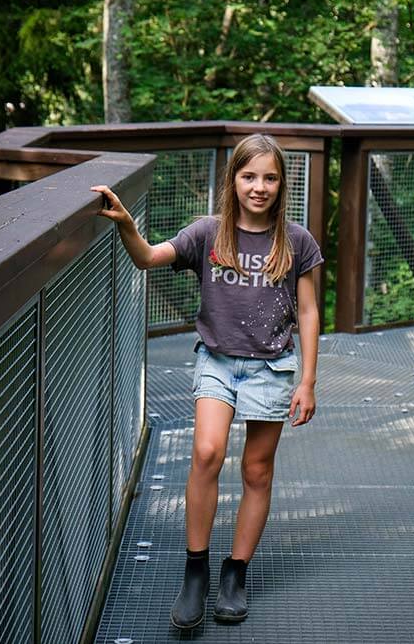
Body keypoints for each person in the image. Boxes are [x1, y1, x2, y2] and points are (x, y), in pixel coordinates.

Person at [91, 133, 322, 629]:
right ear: (233, 180)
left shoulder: (297, 241)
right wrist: (128, 226)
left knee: (257, 470)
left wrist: (308, 380)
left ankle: (235, 573)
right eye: (249, 176)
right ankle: (195, 570)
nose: (258, 187)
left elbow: (307, 310)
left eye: (270, 178)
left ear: (281, 185)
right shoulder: (209, 233)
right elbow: (148, 258)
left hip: (272, 366)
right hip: (216, 360)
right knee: (206, 452)